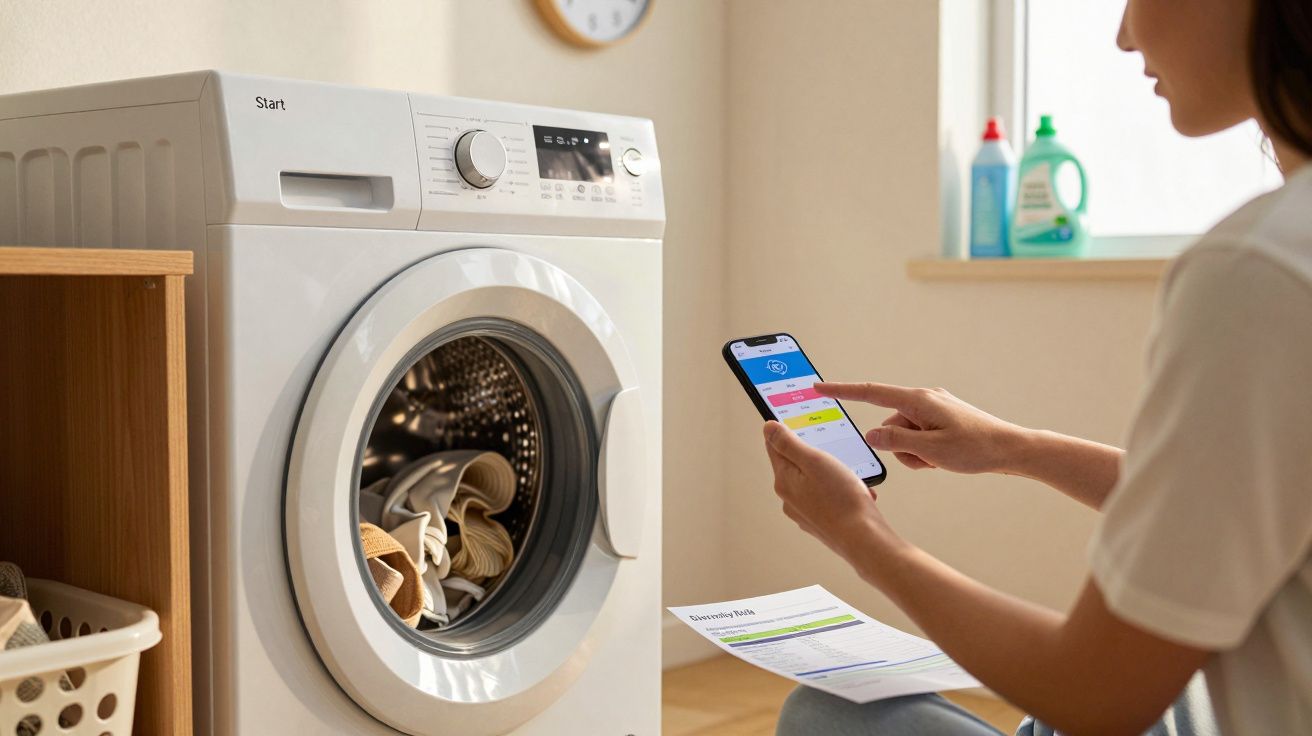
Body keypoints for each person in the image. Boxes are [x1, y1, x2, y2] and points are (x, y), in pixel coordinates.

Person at [766, 1, 1312, 734]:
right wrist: (1012, 448)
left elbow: (1098, 693)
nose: (1124, 35)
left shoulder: (1259, 269)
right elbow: (1240, 503)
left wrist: (859, 536)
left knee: (831, 713)